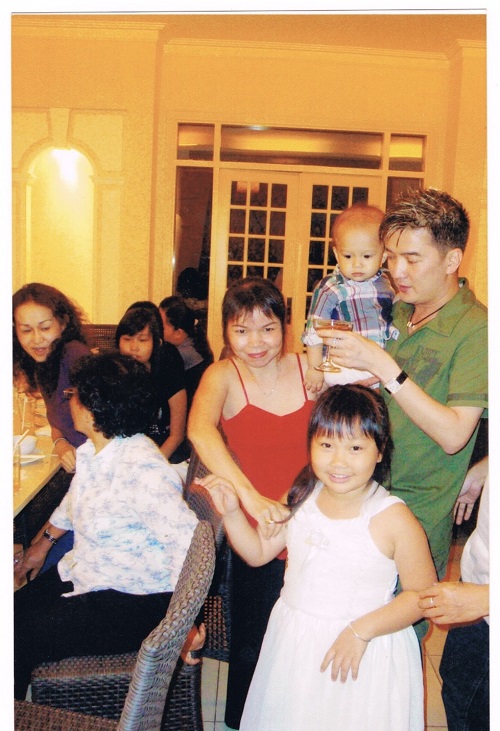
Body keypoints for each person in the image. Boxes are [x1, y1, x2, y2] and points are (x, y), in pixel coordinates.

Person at [200, 385, 436, 731]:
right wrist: (233, 513)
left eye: (355, 448)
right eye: (326, 445)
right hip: (295, 640)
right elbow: (258, 553)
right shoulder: (304, 492)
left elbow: (423, 596)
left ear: (380, 451)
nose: (338, 461)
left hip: (361, 648)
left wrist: (361, 631)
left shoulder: (392, 517)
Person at [316, 188, 488, 593]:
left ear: (452, 260)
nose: (397, 271)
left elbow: (454, 434)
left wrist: (383, 365)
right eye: (391, 257)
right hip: (361, 489)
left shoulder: (476, 329)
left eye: (412, 258)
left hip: (417, 511)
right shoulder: (395, 309)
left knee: (402, 620)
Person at [13, 352, 200, 700]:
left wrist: (181, 624)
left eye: (74, 394)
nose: (70, 399)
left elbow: (190, 545)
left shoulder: (141, 468)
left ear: (93, 411)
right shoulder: (95, 451)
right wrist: (43, 544)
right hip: (89, 572)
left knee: (16, 636)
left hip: (134, 600)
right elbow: (74, 501)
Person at [188, 276, 318, 729]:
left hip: (311, 515)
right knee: (255, 639)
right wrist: (251, 497)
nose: (256, 343)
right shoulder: (222, 375)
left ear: (285, 326)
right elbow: (199, 429)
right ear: (226, 331)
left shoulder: (309, 368)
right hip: (256, 527)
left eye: (267, 329)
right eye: (241, 331)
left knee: (308, 634)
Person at [13, 283, 90, 568]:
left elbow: (108, 445)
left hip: (95, 486)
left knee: (30, 547)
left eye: (44, 327)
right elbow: (56, 421)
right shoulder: (44, 362)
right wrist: (60, 443)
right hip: (75, 472)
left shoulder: (74, 356)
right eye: (26, 330)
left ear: (63, 323)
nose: (36, 339)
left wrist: (43, 542)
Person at [419, 456, 489, 731]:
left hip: (484, 599)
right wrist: (485, 470)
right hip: (478, 574)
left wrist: (486, 598)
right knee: (457, 686)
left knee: (474, 711)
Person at [302, 204, 397, 391]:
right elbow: (314, 329)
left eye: (367, 256)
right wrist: (314, 368)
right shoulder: (331, 287)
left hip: (377, 362)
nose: (357, 264)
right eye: (347, 256)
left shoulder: (386, 283)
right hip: (344, 365)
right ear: (337, 254)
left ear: (384, 255)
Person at [116, 305, 190, 464]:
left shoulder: (168, 369)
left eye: (142, 340)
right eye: (127, 339)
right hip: (131, 458)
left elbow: (177, 435)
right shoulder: (115, 374)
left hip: (169, 457)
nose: (133, 347)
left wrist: (151, 465)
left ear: (157, 343)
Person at [159, 295, 214, 409]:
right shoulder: (193, 341)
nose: (156, 329)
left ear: (178, 333)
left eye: (160, 326)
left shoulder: (184, 354)